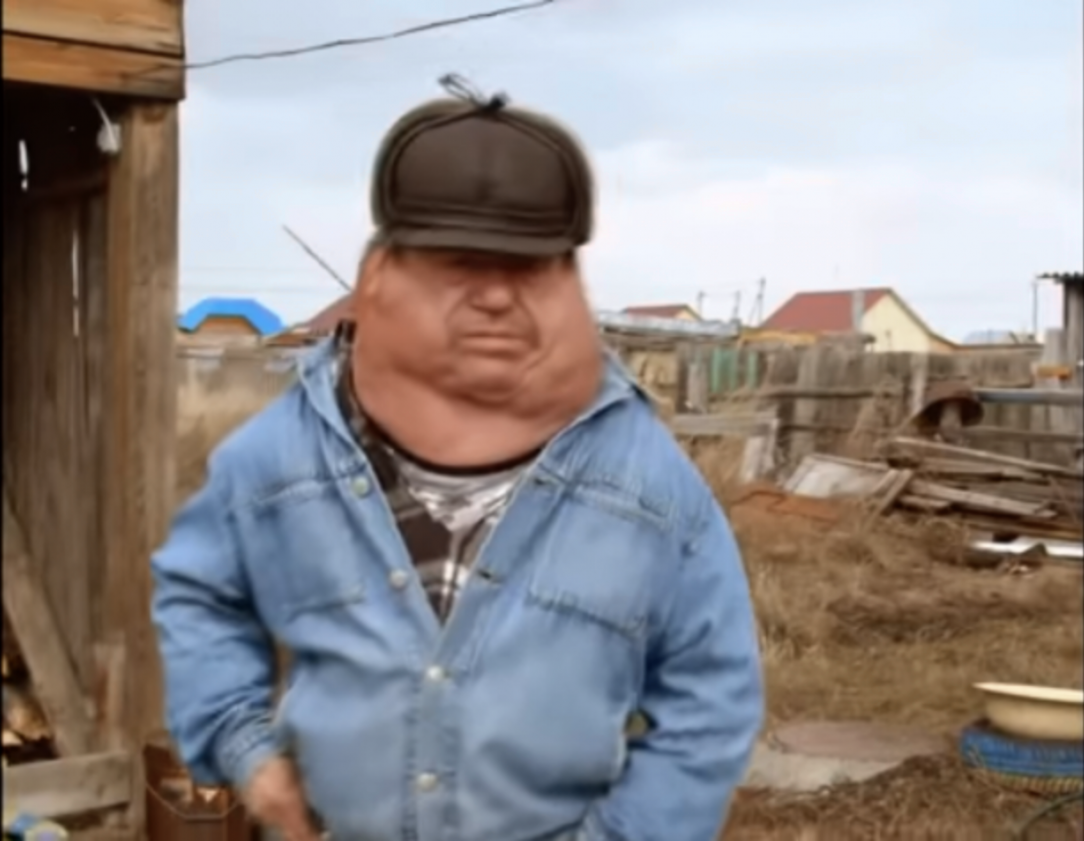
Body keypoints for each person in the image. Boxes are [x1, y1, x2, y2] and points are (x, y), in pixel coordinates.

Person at [152, 82, 763, 841]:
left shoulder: (646, 478)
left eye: (527, 267)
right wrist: (243, 743)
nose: (494, 298)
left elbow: (713, 694)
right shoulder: (280, 456)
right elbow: (199, 596)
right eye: (455, 264)